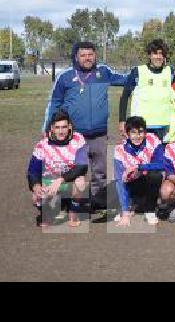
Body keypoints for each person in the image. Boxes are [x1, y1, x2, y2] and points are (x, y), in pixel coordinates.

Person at [43, 41, 127, 217]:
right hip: (73, 136)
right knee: (70, 171)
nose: (88, 58)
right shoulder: (65, 77)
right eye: (83, 55)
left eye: (91, 54)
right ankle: (65, 204)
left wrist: (143, 74)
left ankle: (98, 202)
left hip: (99, 134)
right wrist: (47, 127)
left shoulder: (103, 72)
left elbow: (125, 79)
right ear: (76, 56)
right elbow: (55, 103)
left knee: (100, 171)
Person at [28, 111, 88, 228]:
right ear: (52, 128)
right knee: (36, 198)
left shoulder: (78, 139)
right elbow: (33, 170)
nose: (61, 131)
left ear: (69, 127)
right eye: (58, 127)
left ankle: (72, 214)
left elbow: (82, 167)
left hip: (68, 181)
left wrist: (60, 179)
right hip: (49, 183)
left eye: (64, 127)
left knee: (80, 182)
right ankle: (47, 212)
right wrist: (36, 185)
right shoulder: (43, 145)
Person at [113, 116, 164, 226]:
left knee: (156, 175)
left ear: (145, 133)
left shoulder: (153, 140)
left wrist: (139, 167)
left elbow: (161, 164)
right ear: (127, 134)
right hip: (131, 183)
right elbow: (119, 180)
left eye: (141, 132)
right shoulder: (119, 149)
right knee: (120, 179)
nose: (137, 136)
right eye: (133, 132)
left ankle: (150, 210)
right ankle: (129, 206)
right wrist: (125, 213)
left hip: (147, 180)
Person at [119, 39, 173, 141]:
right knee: (141, 157)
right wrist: (122, 120)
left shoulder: (169, 72)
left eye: (161, 54)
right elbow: (125, 96)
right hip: (140, 126)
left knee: (159, 157)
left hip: (163, 127)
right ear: (149, 56)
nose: (158, 57)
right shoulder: (138, 71)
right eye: (155, 54)